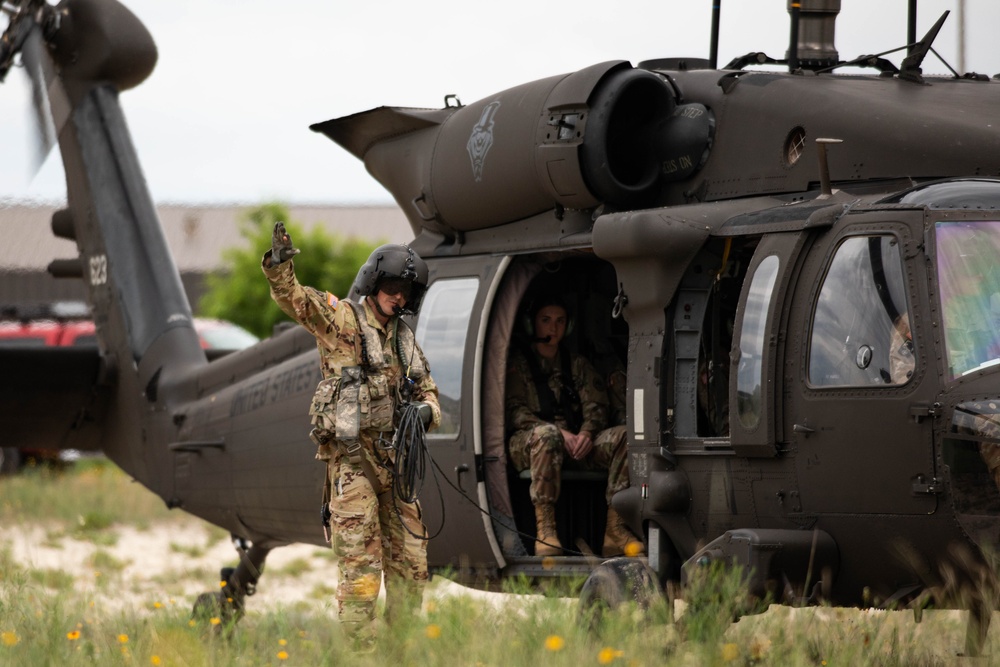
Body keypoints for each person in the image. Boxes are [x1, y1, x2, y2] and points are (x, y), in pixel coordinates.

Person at [262, 222, 441, 645]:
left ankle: (401, 653)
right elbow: (296, 299)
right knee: (361, 572)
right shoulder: (342, 319)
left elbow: (431, 398)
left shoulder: (405, 342)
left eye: (407, 291)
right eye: (393, 286)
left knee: (412, 568)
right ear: (375, 282)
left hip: (396, 470)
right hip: (353, 467)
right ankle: (361, 653)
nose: (399, 296)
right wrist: (279, 266)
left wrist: (423, 411)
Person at [505, 294, 644, 558]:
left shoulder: (577, 364)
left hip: (573, 446)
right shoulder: (519, 365)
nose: (553, 328)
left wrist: (586, 434)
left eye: (559, 321)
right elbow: (515, 412)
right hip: (531, 444)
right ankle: (546, 529)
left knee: (625, 436)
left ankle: (615, 529)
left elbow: (597, 406)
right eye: (546, 320)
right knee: (547, 435)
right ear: (533, 324)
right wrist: (560, 433)